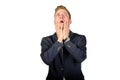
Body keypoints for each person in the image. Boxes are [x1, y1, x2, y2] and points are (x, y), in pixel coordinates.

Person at [40, 5, 87, 80]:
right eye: (58, 15)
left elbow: (81, 57)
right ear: (54, 21)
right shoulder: (46, 40)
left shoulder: (80, 38)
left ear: (70, 21)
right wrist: (59, 41)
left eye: (64, 14)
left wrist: (66, 40)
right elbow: (46, 60)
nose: (61, 16)